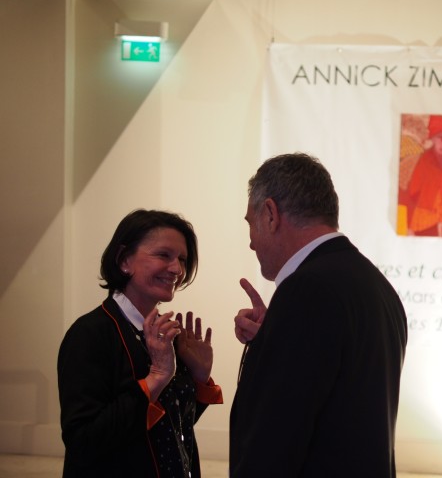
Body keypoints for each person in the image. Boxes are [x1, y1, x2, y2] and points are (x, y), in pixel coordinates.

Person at [230, 152, 408, 477]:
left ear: (270, 214)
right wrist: (274, 334)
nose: (251, 242)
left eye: (250, 224)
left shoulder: (305, 291)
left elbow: (276, 438)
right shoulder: (376, 285)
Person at [57, 209, 223, 477]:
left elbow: (173, 427)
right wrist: (155, 378)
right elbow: (83, 441)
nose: (177, 269)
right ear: (124, 260)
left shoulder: (167, 334)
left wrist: (199, 376)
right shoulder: (89, 334)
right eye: (163, 255)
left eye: (182, 259)